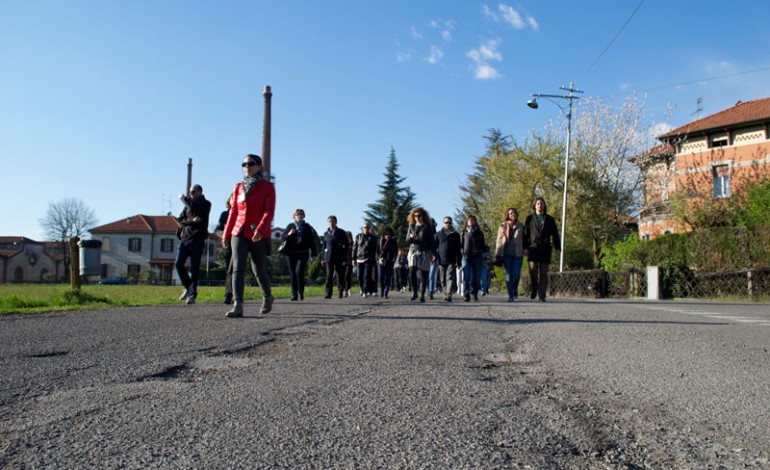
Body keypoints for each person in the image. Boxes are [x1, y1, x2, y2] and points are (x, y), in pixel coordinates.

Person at [222, 154, 275, 317]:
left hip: (257, 233)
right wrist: (226, 233)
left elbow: (268, 211)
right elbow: (233, 211)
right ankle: (238, 305)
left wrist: (260, 229)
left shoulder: (267, 187)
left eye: (251, 164)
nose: (247, 167)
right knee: (238, 268)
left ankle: (267, 296)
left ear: (259, 166)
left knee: (258, 269)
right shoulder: (238, 187)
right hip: (238, 231)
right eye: (244, 164)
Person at [175, 184, 212, 305]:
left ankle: (192, 295)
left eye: (193, 192)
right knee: (178, 263)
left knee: (194, 268)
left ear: (200, 192)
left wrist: (184, 199)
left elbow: (197, 211)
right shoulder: (188, 205)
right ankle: (188, 286)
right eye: (190, 192)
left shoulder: (206, 204)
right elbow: (180, 220)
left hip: (197, 239)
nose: (191, 194)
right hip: (185, 238)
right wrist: (191, 221)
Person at [523, 197, 561, 302]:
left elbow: (555, 235)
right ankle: (534, 286)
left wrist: (558, 248)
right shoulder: (529, 218)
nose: (540, 205)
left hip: (545, 248)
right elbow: (525, 235)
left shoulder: (550, 219)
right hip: (533, 248)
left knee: (544, 273)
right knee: (533, 270)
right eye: (538, 204)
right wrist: (525, 248)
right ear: (535, 206)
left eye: (541, 203)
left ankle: (542, 295)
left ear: (544, 205)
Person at [280, 208, 319, 301]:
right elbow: (283, 237)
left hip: (303, 253)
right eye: (298, 215)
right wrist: (289, 233)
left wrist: (314, 254)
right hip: (291, 253)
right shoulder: (290, 226)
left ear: (304, 216)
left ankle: (301, 292)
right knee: (293, 274)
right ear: (294, 216)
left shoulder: (307, 227)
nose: (299, 216)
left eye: (301, 215)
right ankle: (294, 294)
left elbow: (312, 241)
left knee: (299, 272)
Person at [495, 207, 525, 302]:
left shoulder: (521, 225)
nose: (513, 214)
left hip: (517, 254)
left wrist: (526, 249)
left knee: (516, 274)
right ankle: (510, 295)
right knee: (508, 275)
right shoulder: (502, 226)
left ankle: (514, 289)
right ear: (507, 215)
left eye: (514, 213)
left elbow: (525, 239)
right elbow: (499, 241)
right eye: (510, 213)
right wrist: (497, 254)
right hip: (506, 254)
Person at [406, 207, 435, 302]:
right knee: (412, 271)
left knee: (423, 273)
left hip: (425, 251)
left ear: (423, 216)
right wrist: (410, 237)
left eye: (419, 215)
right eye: (415, 216)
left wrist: (434, 254)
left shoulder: (428, 227)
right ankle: (414, 292)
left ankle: (422, 294)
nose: (417, 217)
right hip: (413, 250)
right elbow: (406, 241)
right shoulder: (411, 227)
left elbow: (432, 242)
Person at [434, 216, 462, 302]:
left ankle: (448, 294)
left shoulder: (455, 234)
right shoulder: (438, 234)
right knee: (442, 279)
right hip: (441, 259)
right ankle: (445, 292)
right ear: (443, 223)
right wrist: (434, 256)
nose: (448, 224)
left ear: (451, 223)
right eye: (446, 222)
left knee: (449, 277)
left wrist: (459, 261)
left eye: (449, 222)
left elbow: (458, 249)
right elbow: (434, 247)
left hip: (451, 259)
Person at [321, 215, 349, 299]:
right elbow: (324, 247)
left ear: (336, 222)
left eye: (333, 221)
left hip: (339, 257)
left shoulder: (341, 232)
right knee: (329, 275)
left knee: (339, 275)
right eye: (329, 221)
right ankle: (328, 293)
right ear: (327, 222)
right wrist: (323, 258)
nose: (331, 223)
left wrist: (344, 257)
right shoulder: (326, 234)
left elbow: (346, 245)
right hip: (328, 257)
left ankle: (340, 291)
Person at [460, 215, 485, 302]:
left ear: (475, 221)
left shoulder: (479, 232)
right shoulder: (463, 232)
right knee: (466, 277)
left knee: (476, 277)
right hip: (466, 257)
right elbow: (461, 244)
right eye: (469, 220)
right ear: (467, 222)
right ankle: (466, 295)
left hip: (477, 257)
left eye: (472, 220)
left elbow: (483, 245)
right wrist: (462, 252)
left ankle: (474, 294)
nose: (470, 222)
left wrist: (480, 251)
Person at [214, 195, 234, 304]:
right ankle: (229, 294)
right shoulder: (225, 214)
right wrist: (224, 236)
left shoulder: (243, 213)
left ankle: (233, 294)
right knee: (230, 270)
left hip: (240, 245)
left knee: (235, 270)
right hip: (228, 245)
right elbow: (217, 230)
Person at [353, 222, 378, 297]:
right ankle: (362, 288)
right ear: (362, 228)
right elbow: (355, 248)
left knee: (366, 275)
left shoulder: (373, 238)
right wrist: (353, 258)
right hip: (359, 258)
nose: (366, 229)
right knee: (359, 276)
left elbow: (375, 249)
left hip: (368, 258)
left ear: (369, 228)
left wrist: (373, 258)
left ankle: (365, 291)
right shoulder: (358, 236)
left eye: (367, 227)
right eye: (364, 227)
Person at [376, 226, 398, 299]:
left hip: (389, 261)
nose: (387, 236)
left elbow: (395, 252)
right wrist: (378, 259)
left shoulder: (393, 241)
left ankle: (386, 291)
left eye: (389, 234)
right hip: (381, 261)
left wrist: (393, 259)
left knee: (388, 277)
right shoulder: (379, 241)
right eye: (386, 234)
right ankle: (382, 289)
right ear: (383, 234)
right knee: (381, 276)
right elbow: (377, 252)